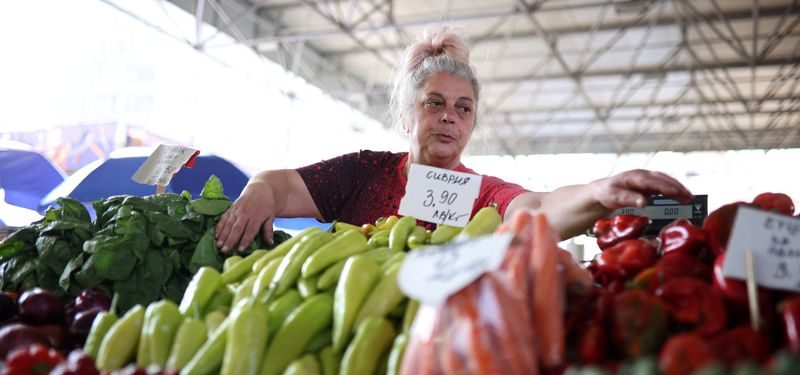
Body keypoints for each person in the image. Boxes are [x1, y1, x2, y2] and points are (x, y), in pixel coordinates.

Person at [215, 26, 692, 253]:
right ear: (406, 116)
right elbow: (278, 185)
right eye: (434, 103)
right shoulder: (364, 172)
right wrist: (259, 191)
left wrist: (597, 193)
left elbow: (540, 210)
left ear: (473, 122)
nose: (449, 118)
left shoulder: (484, 195)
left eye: (463, 109)